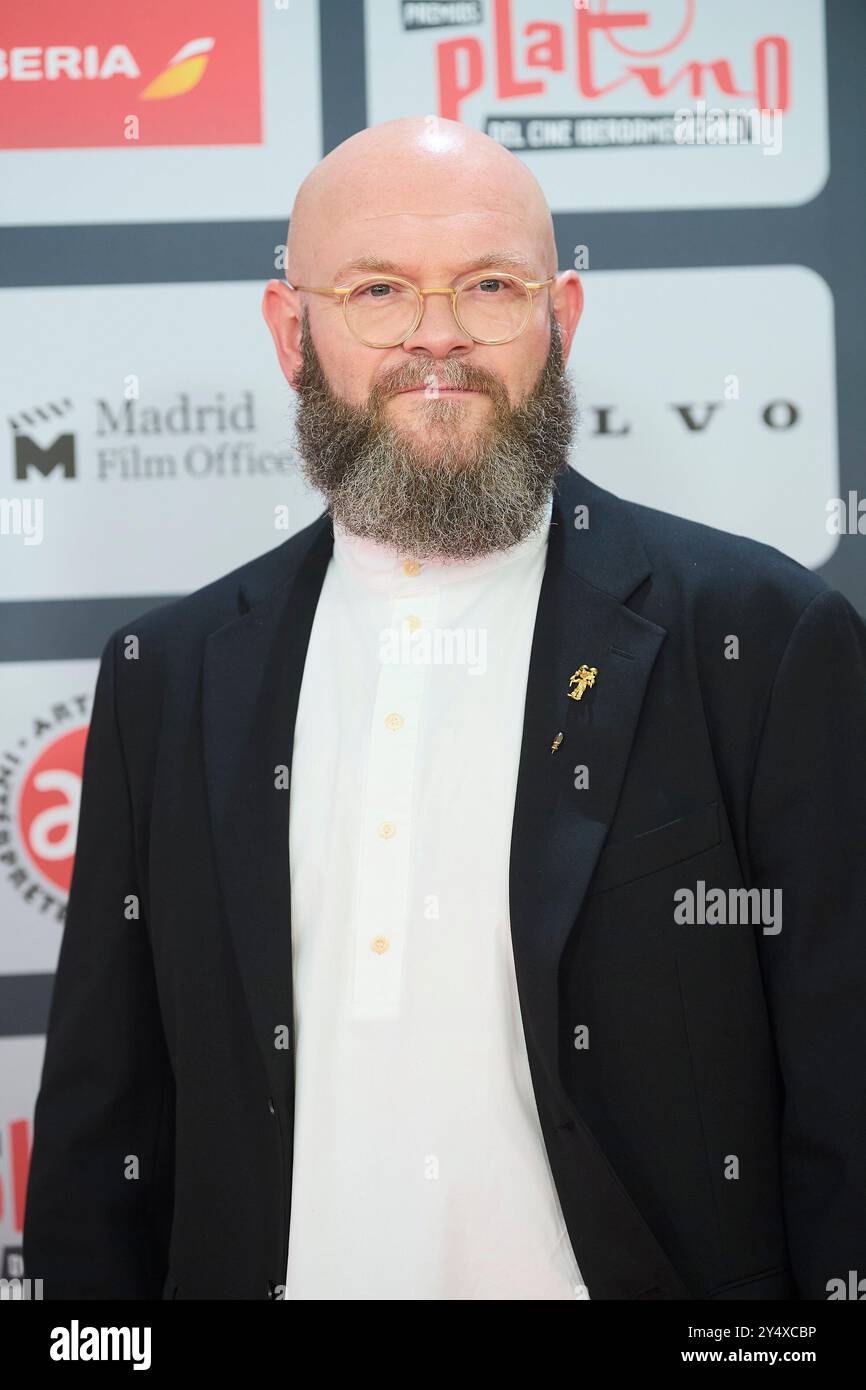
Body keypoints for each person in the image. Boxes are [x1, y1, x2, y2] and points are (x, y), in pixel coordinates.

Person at [23, 116, 866, 1301]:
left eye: (487, 286)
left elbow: (845, 1100)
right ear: (291, 330)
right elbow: (100, 1130)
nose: (436, 337)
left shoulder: (761, 642)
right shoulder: (168, 673)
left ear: (559, 316)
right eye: (376, 290)